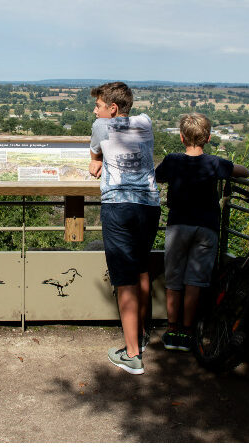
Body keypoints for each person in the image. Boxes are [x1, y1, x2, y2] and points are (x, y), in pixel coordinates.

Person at [154, 113, 249, 352]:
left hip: (178, 226)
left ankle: (172, 329)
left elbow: (157, 175)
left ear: (181, 137)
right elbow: (244, 171)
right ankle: (188, 331)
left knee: (174, 279)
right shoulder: (215, 164)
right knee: (195, 281)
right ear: (207, 138)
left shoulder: (173, 161)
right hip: (206, 227)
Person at [89, 82, 161, 375]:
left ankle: (132, 355)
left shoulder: (100, 127)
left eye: (98, 106)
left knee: (125, 279)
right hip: (149, 204)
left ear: (112, 108)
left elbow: (95, 157)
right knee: (141, 268)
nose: (95, 111)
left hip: (119, 205)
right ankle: (141, 336)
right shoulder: (145, 122)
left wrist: (97, 161)